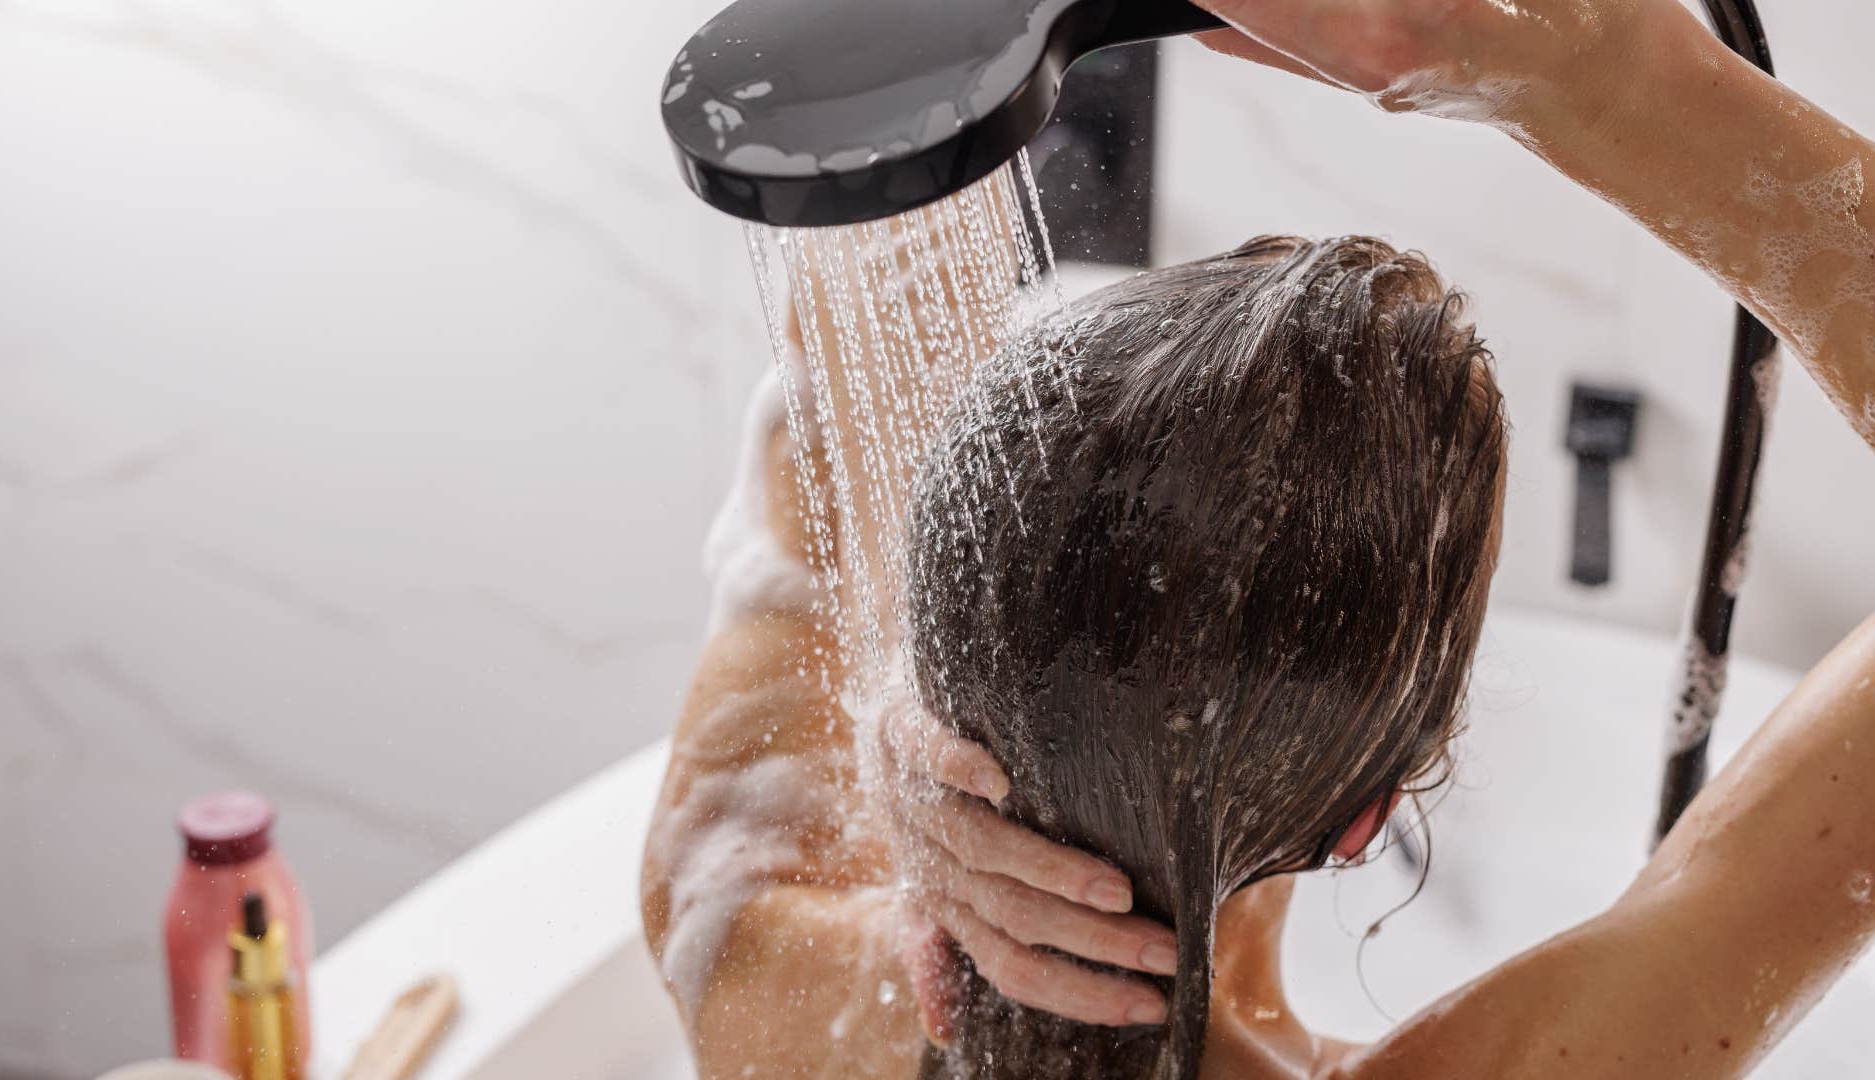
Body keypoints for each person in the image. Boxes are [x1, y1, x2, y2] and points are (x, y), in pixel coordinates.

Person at [641, 1, 1875, 1076]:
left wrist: (903, 726)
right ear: (1367, 820)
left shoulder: (774, 991)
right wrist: (1603, 75)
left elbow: (730, 816)